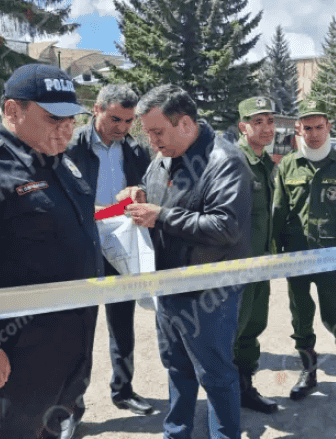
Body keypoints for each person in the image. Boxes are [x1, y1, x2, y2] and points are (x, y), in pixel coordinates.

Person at [0, 63, 103, 439]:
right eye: (53, 118)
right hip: (20, 347)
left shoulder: (59, 160)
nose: (66, 128)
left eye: (71, 118)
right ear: (13, 110)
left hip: (73, 336)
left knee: (57, 427)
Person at [120, 84, 251, 439]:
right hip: (168, 287)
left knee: (216, 375)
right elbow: (156, 193)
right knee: (176, 367)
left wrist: (160, 215)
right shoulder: (164, 157)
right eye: (148, 133)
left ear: (186, 124)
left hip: (209, 295)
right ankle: (176, 433)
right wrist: (138, 193)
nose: (152, 142)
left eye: (157, 132)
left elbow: (226, 227)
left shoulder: (225, 162)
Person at [65, 83, 154, 430]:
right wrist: (95, 212)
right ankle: (71, 407)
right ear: (96, 110)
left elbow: (148, 185)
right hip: (80, 246)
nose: (122, 127)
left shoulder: (134, 148)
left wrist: (138, 191)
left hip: (120, 245)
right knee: (79, 330)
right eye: (115, 119)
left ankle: (124, 390)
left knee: (122, 324)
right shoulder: (71, 146)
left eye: (129, 121)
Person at [271, 98, 336, 412]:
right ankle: (309, 372)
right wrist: (274, 253)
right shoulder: (288, 165)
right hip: (296, 256)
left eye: (319, 127)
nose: (313, 134)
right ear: (299, 129)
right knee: (301, 317)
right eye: (308, 128)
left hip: (330, 256)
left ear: (328, 127)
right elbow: (278, 211)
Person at [233, 96, 279, 414]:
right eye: (257, 122)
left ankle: (244, 387)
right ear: (243, 126)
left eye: (270, 121)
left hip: (261, 264)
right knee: (232, 331)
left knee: (253, 326)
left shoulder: (265, 163)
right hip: (238, 267)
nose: (266, 128)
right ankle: (225, 396)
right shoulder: (235, 161)